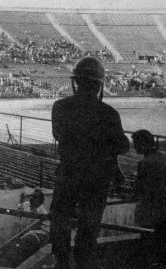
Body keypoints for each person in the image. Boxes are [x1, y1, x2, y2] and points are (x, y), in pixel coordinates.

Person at [49, 57, 129, 269]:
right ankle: (83, 262)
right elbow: (122, 146)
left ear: (76, 82)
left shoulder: (60, 107)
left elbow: (59, 134)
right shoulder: (109, 114)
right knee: (90, 224)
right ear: (99, 84)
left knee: (59, 218)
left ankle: (61, 261)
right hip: (97, 177)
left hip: (68, 173)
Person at [132, 129, 166, 265]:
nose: (134, 147)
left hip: (150, 211)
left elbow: (138, 189)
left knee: (147, 243)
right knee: (162, 243)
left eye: (136, 143)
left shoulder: (144, 164)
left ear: (143, 144)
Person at [17, 188, 49, 261]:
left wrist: (30, 234)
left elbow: (45, 231)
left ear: (41, 200)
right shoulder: (25, 205)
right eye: (31, 196)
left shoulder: (43, 213)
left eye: (35, 197)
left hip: (29, 242)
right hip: (20, 235)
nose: (31, 198)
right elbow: (17, 208)